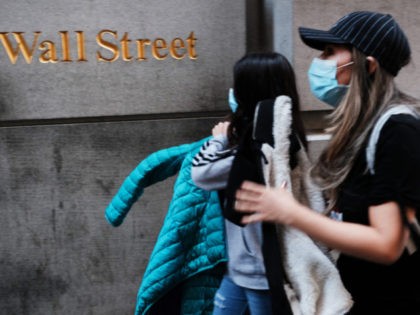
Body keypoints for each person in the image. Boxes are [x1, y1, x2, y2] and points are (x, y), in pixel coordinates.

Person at [234, 11, 420, 314]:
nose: (319, 60)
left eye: (330, 52)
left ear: (368, 66)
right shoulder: (360, 129)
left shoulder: (398, 130)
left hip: (391, 300)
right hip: (358, 294)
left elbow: (386, 244)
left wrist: (291, 213)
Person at [191, 52, 352, 315]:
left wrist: (218, 139)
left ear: (248, 91)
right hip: (241, 267)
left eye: (238, 84)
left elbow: (201, 174)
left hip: (259, 273)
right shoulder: (284, 142)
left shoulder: (258, 152)